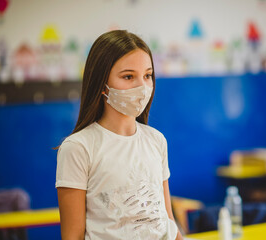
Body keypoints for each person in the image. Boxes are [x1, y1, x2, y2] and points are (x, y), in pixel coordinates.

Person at [55, 30, 183, 240]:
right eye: (128, 76)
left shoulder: (156, 140)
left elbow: (166, 220)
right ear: (101, 83)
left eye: (148, 75)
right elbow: (72, 237)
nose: (142, 86)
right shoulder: (78, 147)